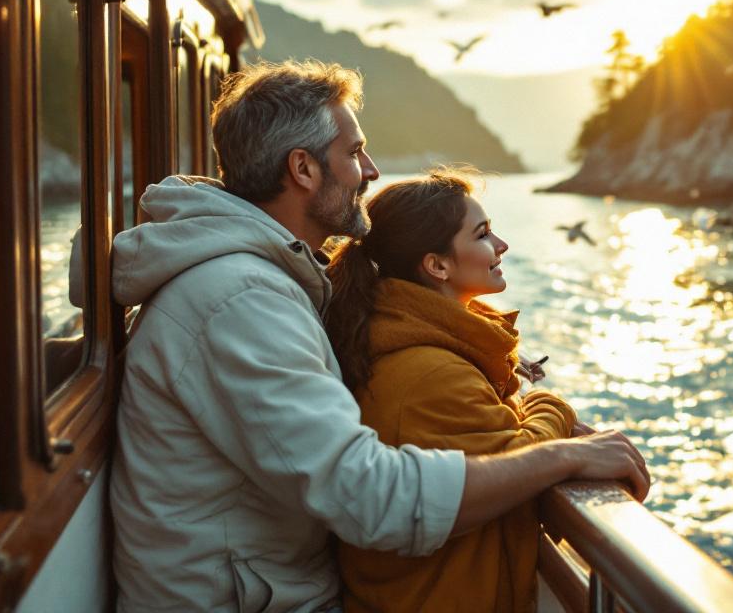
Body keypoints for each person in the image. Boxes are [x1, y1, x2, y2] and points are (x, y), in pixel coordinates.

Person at [109, 60, 649, 612]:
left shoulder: (264, 281)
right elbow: (370, 499)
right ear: (303, 169)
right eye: (354, 152)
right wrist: (559, 457)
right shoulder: (240, 301)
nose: (370, 170)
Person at [325, 169, 586, 612]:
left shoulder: (417, 341)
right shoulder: (429, 371)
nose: (501, 245)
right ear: (438, 265)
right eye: (483, 234)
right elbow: (518, 460)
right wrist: (551, 405)